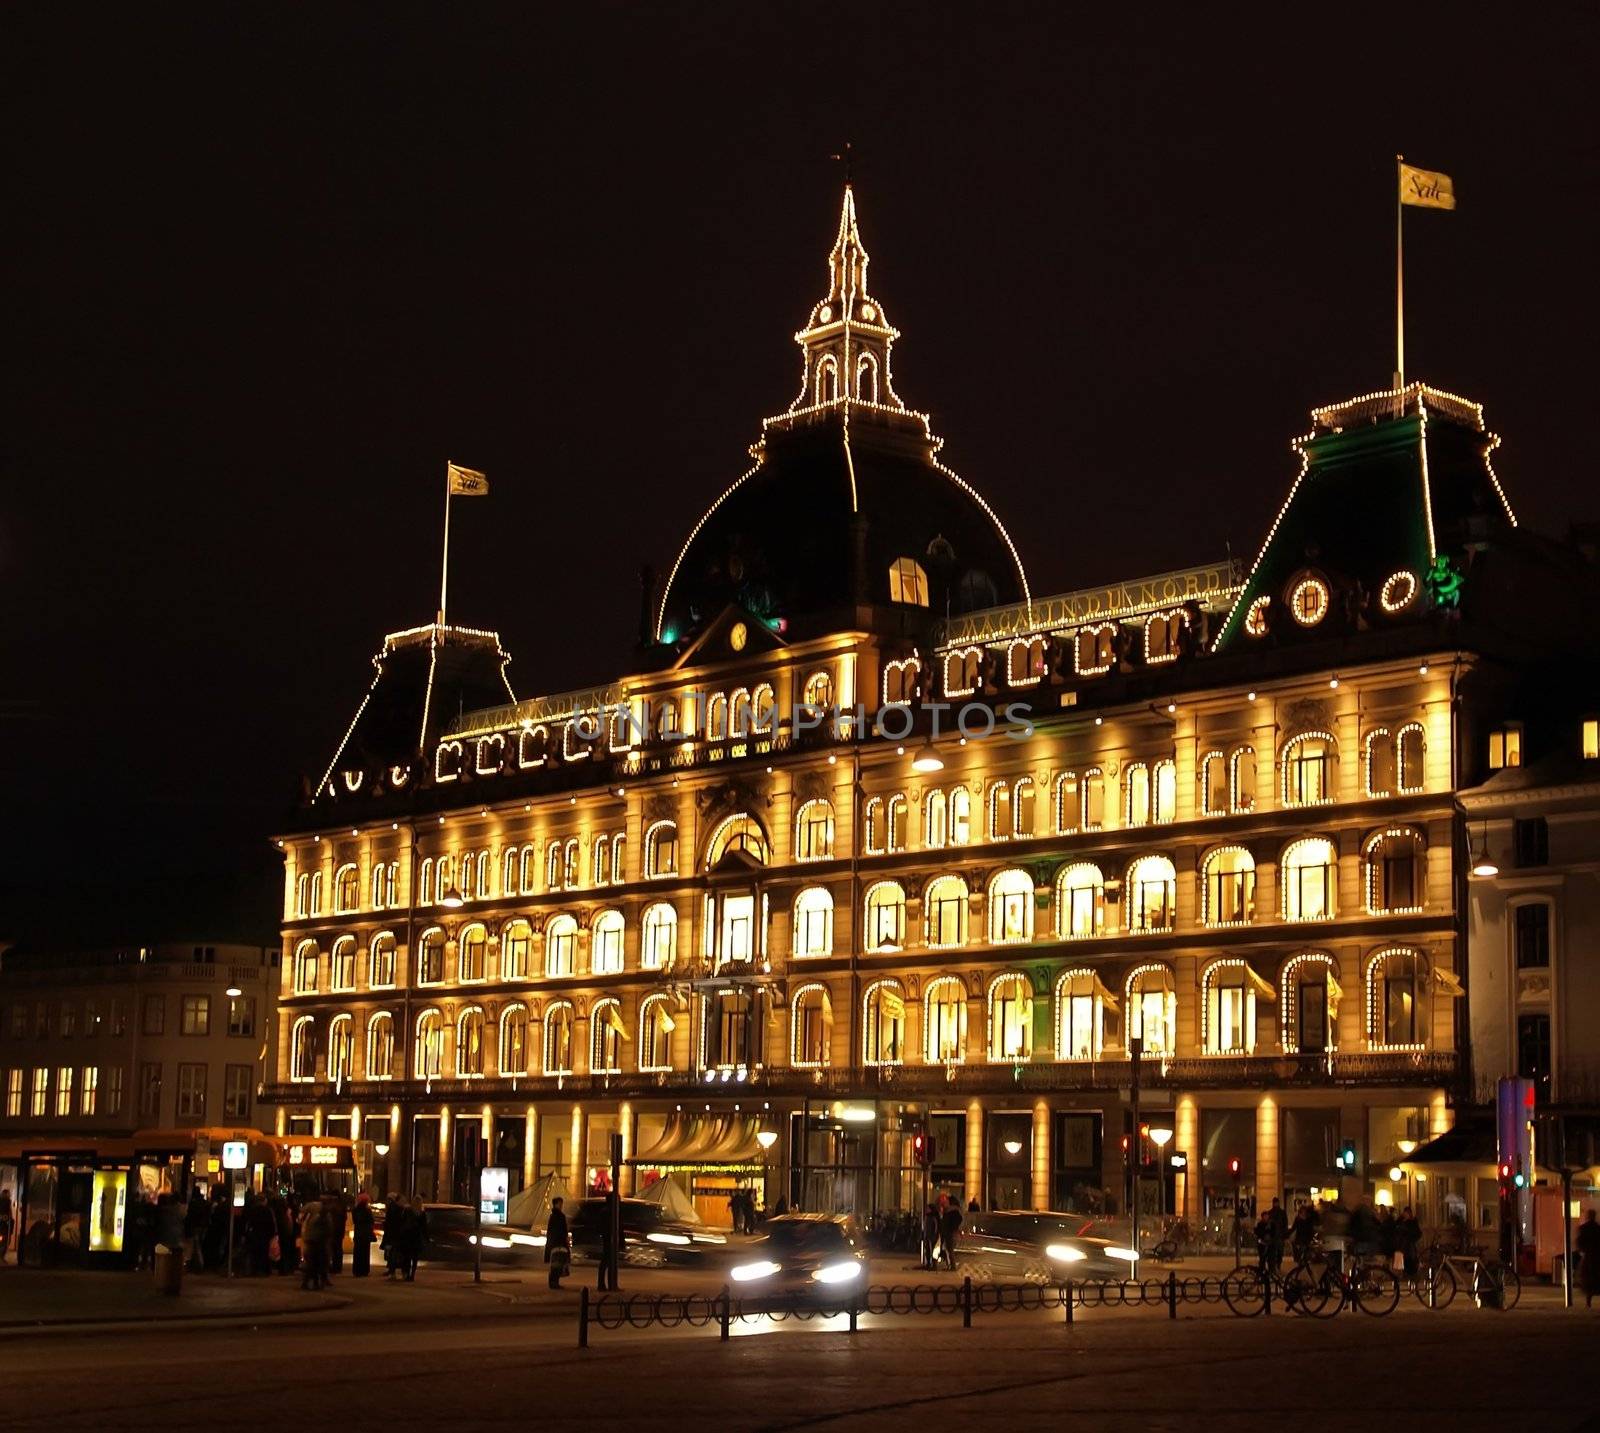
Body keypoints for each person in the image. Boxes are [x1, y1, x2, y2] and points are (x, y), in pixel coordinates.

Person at [300, 1199, 327, 1291]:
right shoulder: (321, 1218)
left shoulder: (311, 1218)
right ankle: (316, 1282)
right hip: (318, 1243)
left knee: (312, 1264)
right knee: (317, 1264)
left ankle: (310, 1282)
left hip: (312, 1242)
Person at [545, 1196, 571, 1289]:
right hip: (558, 1243)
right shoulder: (559, 1216)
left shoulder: (553, 1216)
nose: (561, 1205)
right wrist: (564, 1241)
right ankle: (554, 1282)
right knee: (557, 1262)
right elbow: (561, 1230)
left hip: (554, 1242)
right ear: (556, 1204)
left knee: (555, 1263)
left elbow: (551, 1231)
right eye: (560, 1203)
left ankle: (553, 1282)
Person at [1577, 1209, 1600, 1308]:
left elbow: (1580, 1242)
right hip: (1598, 1257)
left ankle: (1588, 1302)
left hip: (1588, 1256)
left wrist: (1582, 1251)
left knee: (1588, 1279)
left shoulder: (1583, 1228)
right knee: (1597, 1278)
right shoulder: (1598, 1228)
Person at [1395, 1206, 1422, 1282]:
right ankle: (1405, 1274)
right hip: (1403, 1244)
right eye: (1405, 1213)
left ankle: (1412, 1274)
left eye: (1407, 1213)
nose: (1405, 1214)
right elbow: (1396, 1227)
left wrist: (1411, 1238)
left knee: (1410, 1258)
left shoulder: (1412, 1221)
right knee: (1404, 1259)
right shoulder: (1402, 1221)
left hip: (1409, 1244)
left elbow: (1417, 1232)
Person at [184, 1187, 208, 1271]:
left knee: (195, 1246)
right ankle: (199, 1264)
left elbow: (189, 1216)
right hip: (203, 1226)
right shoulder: (204, 1202)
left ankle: (199, 1265)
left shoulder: (193, 1203)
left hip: (195, 1226)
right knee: (199, 1245)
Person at [351, 1195, 374, 1277]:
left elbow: (354, 1221)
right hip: (366, 1234)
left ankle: (356, 1270)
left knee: (357, 1252)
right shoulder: (368, 1211)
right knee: (365, 1252)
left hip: (358, 1233)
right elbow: (371, 1221)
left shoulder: (355, 1210)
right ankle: (364, 1270)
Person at [1263, 1197, 1289, 1274]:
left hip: (1280, 1236)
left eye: (1276, 1202)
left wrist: (1285, 1235)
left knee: (1280, 1252)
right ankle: (1274, 1267)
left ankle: (1278, 1266)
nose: (1275, 1204)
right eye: (1275, 1203)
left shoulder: (1282, 1213)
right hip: (1273, 1237)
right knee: (1273, 1253)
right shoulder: (1270, 1213)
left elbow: (1285, 1224)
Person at [326, 1194, 348, 1275]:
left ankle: (335, 1267)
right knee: (338, 1248)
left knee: (335, 1249)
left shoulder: (333, 1208)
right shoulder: (342, 1207)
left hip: (334, 1231)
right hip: (339, 1231)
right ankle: (338, 1266)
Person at [940, 1199, 963, 1271]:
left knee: (950, 1249)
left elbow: (950, 1222)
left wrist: (953, 1229)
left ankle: (952, 1266)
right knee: (948, 1249)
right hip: (948, 1232)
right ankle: (950, 1265)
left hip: (950, 1232)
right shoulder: (949, 1212)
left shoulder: (951, 1212)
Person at [0, 1187, 13, 1265]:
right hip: (5, 1225)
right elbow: (10, 1213)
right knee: (5, 1240)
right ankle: (1, 1256)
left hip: (3, 1224)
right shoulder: (8, 1201)